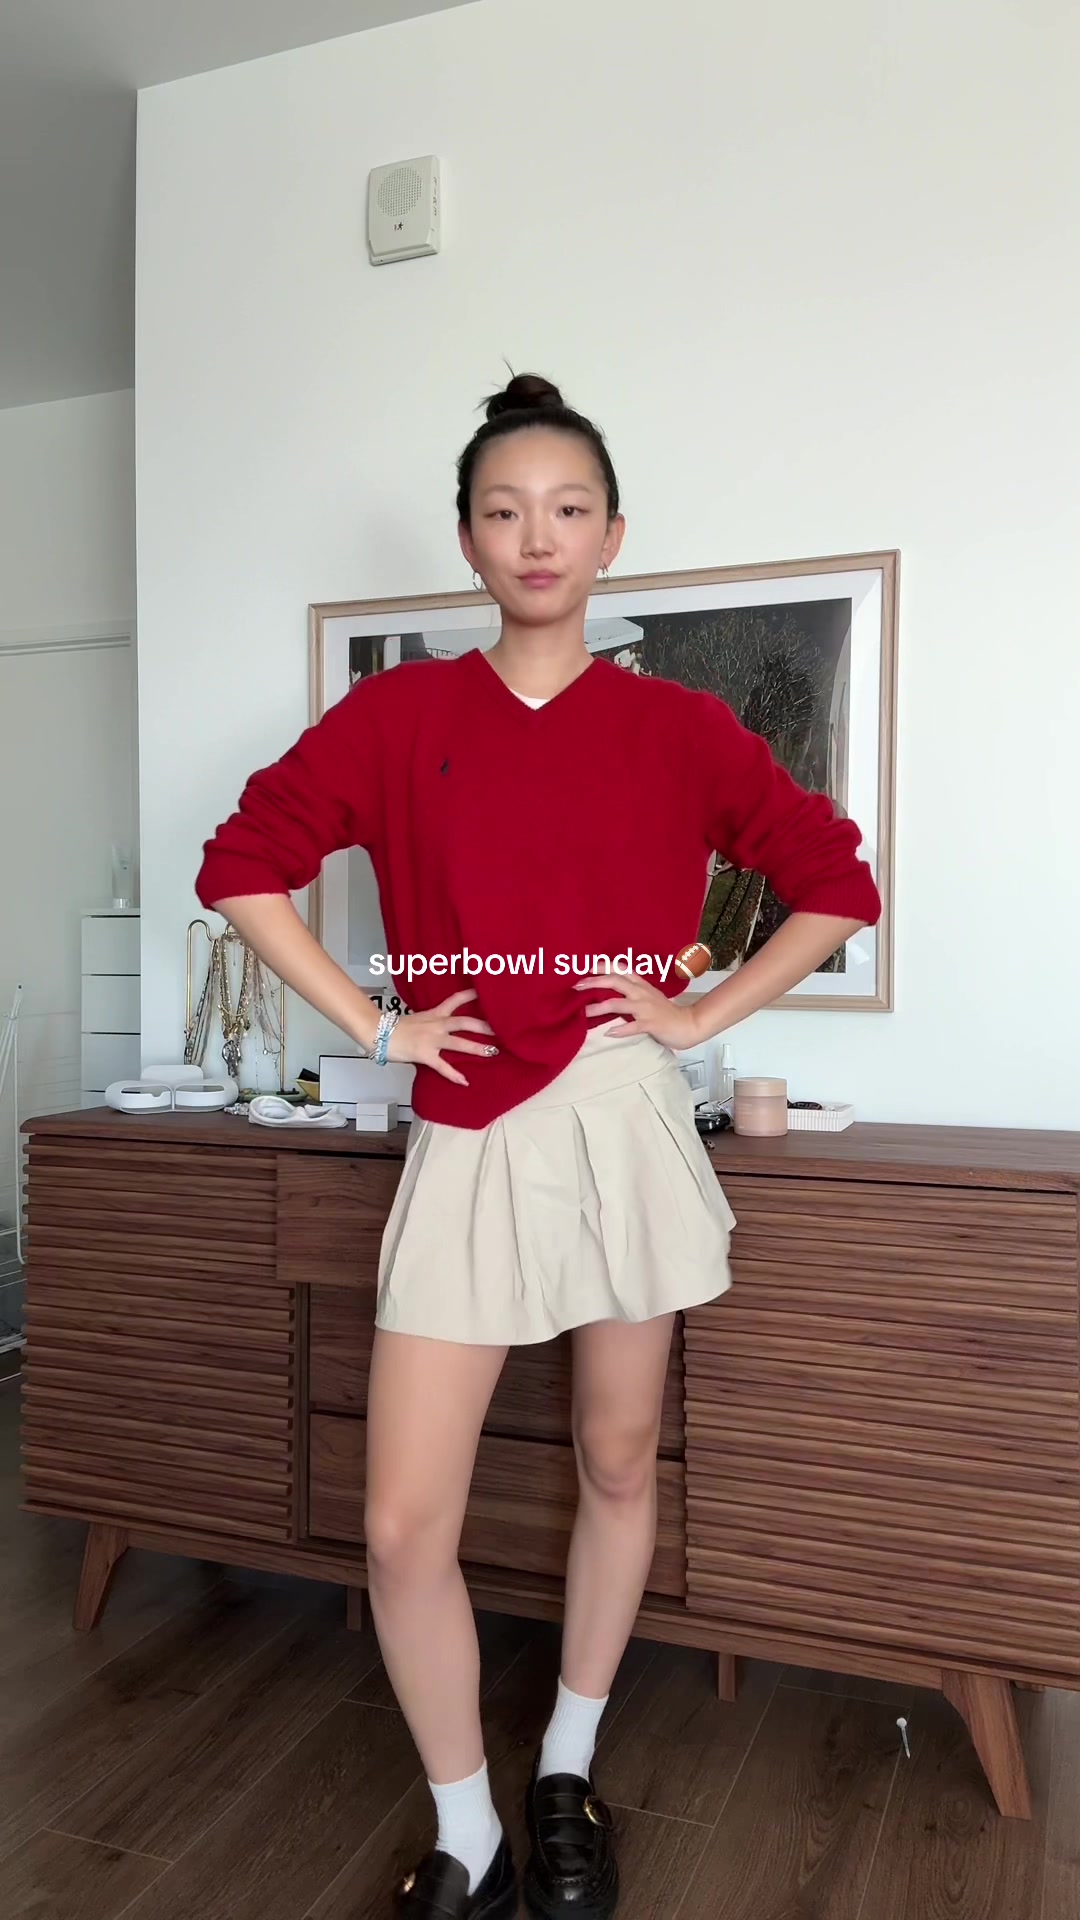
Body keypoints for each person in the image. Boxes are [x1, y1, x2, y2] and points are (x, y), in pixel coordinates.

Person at [195, 373, 882, 1920]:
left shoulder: (679, 728)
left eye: (569, 508)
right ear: (468, 538)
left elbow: (835, 883)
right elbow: (242, 865)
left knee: (617, 1458)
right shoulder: (399, 718)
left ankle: (566, 1765)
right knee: (398, 1526)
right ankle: (471, 1834)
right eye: (504, 510)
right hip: (466, 1126)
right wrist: (379, 1026)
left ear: (612, 535)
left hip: (620, 1118)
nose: (537, 535)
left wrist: (696, 1016)